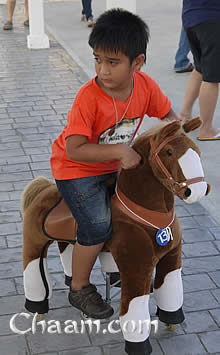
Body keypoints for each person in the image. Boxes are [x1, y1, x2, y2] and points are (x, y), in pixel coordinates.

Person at [50, 8, 178, 319]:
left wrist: (178, 139)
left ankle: (121, 262)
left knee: (134, 212)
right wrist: (121, 152)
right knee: (97, 224)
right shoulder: (88, 97)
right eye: (97, 59)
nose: (102, 70)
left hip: (111, 166)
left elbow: (168, 118)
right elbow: (75, 149)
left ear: (138, 62)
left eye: (112, 62)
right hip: (76, 170)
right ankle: (79, 288)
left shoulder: (145, 86)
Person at [179, 0, 220, 140]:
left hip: (190, 17)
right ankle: (206, 129)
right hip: (211, 18)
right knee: (211, 78)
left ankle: (184, 114)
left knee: (200, 68)